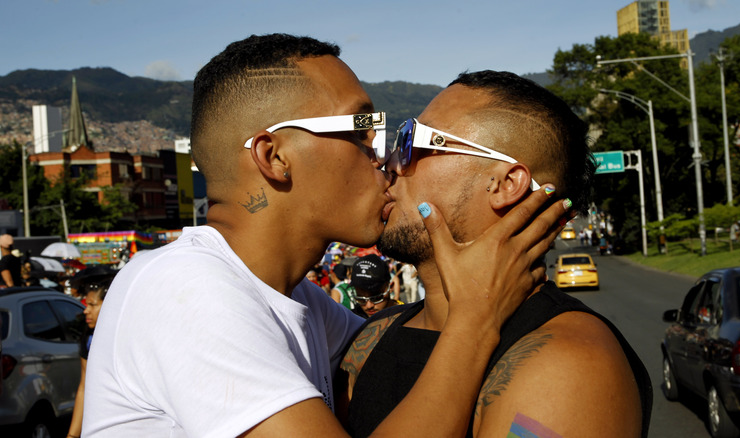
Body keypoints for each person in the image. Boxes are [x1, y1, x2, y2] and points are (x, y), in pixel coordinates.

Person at [82, 34, 571, 437]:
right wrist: (475, 319)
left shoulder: (299, 303)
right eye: (360, 130)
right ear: (274, 157)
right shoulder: (185, 288)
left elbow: (397, 355)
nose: (382, 156)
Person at [340, 71, 652, 438]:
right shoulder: (370, 337)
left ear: (505, 184)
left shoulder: (571, 365)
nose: (390, 162)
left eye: (411, 140)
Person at [67, 275, 115, 438]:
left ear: (110, 305)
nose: (86, 310)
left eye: (93, 305)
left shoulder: (126, 337)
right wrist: (72, 435)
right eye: (87, 304)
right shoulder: (88, 338)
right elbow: (84, 386)